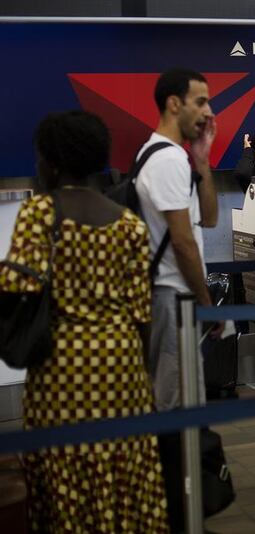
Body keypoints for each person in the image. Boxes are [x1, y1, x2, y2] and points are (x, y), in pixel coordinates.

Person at [0, 111, 168, 532]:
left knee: (66, 465)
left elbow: (16, 287)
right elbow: (141, 311)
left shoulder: (41, 213)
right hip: (123, 364)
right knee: (123, 462)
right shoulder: (128, 224)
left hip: (63, 369)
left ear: (52, 162)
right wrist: (142, 376)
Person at [135, 67, 220, 411]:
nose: (208, 112)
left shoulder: (169, 155)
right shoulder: (168, 159)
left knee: (184, 392)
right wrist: (206, 302)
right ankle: (177, 465)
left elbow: (209, 219)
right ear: (174, 104)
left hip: (171, 295)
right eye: (200, 102)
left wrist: (202, 159)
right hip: (172, 295)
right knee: (175, 399)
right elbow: (184, 243)